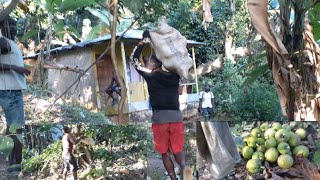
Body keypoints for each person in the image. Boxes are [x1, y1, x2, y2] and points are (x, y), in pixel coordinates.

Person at [130, 30, 186, 180]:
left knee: (164, 152)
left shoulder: (150, 76)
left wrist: (142, 42)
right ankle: (186, 173)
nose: (145, 63)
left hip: (160, 119)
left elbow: (133, 60)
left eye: (147, 62)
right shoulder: (174, 76)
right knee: (178, 150)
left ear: (152, 64)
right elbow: (178, 62)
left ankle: (174, 178)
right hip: (176, 117)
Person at [0, 16, 30, 172]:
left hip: (12, 90)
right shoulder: (2, 40)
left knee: (13, 128)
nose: (14, 27)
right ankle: (14, 167)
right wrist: (15, 68)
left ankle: (10, 163)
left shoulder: (10, 42)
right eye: (10, 24)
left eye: (15, 24)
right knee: (16, 128)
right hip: (9, 91)